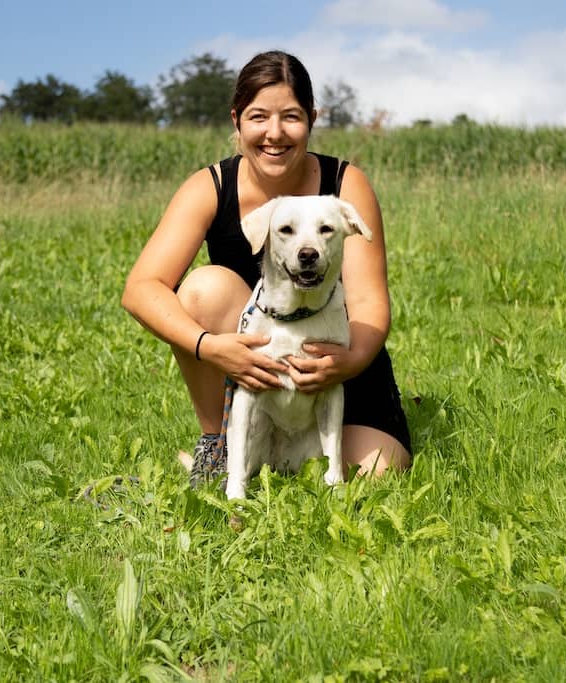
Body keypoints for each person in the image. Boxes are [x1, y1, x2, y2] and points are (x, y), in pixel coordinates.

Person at [121, 50, 411, 487]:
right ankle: (219, 445)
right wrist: (210, 347)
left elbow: (369, 301)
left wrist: (348, 363)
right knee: (204, 289)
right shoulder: (210, 187)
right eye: (259, 117)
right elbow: (141, 288)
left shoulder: (345, 184)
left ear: (312, 119)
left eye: (291, 117)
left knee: (380, 474)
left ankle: (288, 455)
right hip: (255, 362)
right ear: (236, 121)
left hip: (336, 362)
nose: (274, 133)